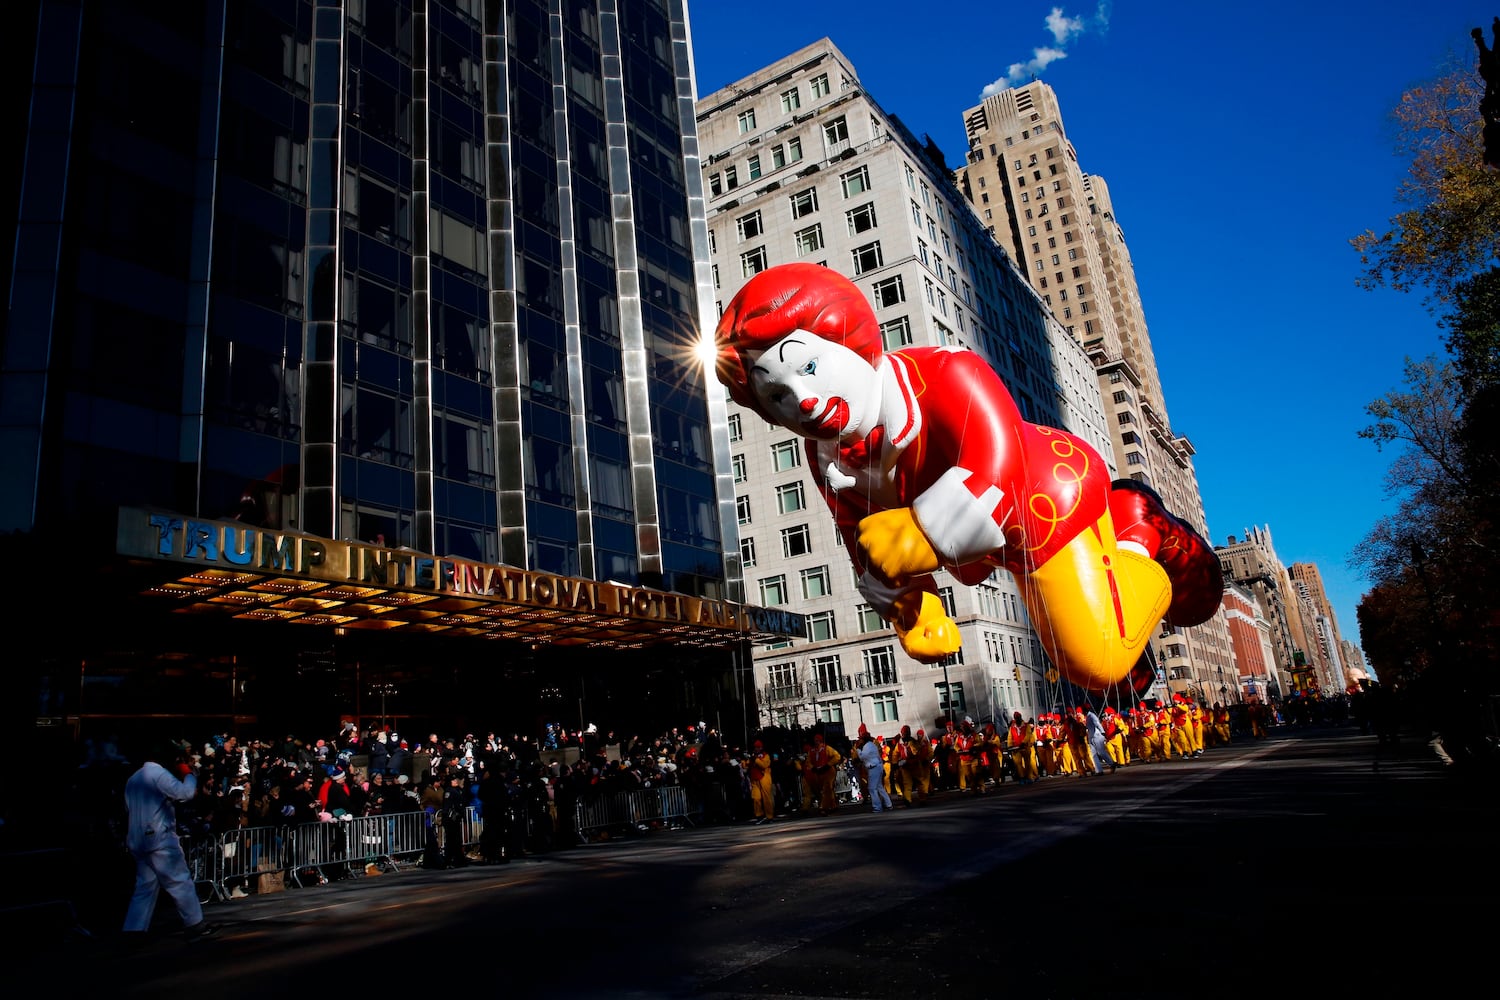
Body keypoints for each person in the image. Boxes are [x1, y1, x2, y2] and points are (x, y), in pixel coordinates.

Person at [713, 263, 1222, 694]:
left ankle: (1138, 528)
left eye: (808, 367)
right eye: (776, 396)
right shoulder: (824, 454)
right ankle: (1129, 646)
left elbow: (996, 466)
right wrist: (912, 606)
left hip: (1042, 501)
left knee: (1096, 662)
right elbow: (859, 535)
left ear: (848, 337)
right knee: (1103, 672)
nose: (801, 400)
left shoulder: (949, 373)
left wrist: (922, 532)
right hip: (974, 550)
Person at [121, 744, 218, 941]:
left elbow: (126, 808)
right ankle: (195, 924)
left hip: (136, 838)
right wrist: (189, 775)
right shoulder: (158, 775)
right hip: (159, 837)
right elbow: (185, 793)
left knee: (145, 885)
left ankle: (134, 929)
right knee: (180, 881)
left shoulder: (133, 779)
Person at [856, 734, 892, 812]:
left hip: (873, 767)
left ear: (864, 739)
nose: (859, 740)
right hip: (877, 766)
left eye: (860, 739)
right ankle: (888, 804)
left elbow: (862, 757)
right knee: (879, 787)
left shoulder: (867, 746)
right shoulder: (872, 745)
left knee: (872, 788)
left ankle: (877, 807)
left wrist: (858, 750)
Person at [746, 740, 776, 824]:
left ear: (761, 747)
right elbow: (746, 764)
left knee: (767, 798)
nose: (756, 749)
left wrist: (756, 760)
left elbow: (764, 765)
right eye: (755, 747)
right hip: (754, 779)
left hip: (764, 778)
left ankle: (770, 816)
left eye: (758, 747)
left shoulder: (766, 755)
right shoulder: (752, 756)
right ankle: (759, 815)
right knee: (756, 798)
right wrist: (745, 760)